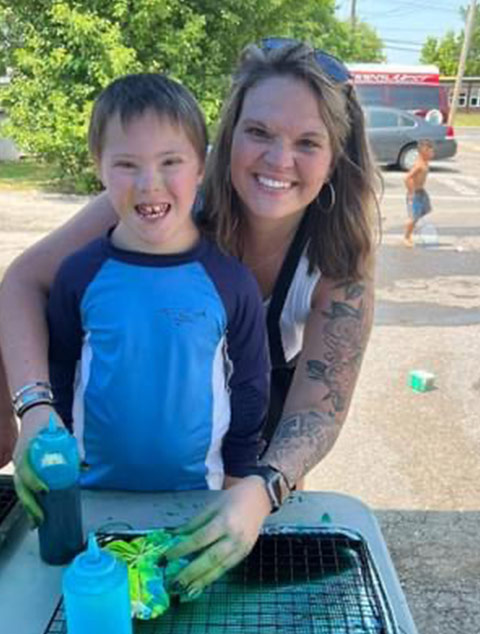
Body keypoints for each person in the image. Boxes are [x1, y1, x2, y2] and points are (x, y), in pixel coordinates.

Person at [0, 40, 378, 594]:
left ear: (335, 156)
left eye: (307, 142)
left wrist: (259, 489)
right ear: (227, 136)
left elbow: (317, 412)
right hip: (130, 429)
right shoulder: (164, 197)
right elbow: (21, 283)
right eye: (259, 133)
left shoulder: (341, 254)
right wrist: (34, 411)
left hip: (256, 427)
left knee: (232, 582)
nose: (278, 160)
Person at [7, 72, 270, 521]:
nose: (150, 183)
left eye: (171, 161)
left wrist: (238, 480)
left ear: (201, 167)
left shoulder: (231, 282)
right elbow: (61, 374)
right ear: (98, 166)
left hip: (197, 502)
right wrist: (56, 461)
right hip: (91, 499)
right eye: (127, 164)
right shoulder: (78, 275)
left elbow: (249, 389)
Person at [403, 139, 434, 247]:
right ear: (424, 151)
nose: (432, 153)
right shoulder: (419, 165)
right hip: (415, 193)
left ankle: (410, 228)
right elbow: (407, 178)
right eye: (430, 151)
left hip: (421, 192)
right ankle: (406, 237)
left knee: (425, 210)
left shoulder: (425, 162)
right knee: (413, 216)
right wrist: (412, 192)